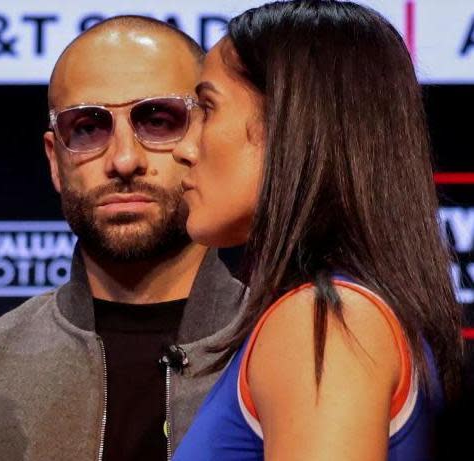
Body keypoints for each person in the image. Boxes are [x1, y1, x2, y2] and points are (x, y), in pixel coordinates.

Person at [0, 16, 244, 461]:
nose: (125, 160)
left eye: (158, 120)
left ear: (204, 137)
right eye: (89, 128)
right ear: (56, 160)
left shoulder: (291, 353)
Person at [169, 1, 463, 459]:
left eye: (208, 108)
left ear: (289, 122)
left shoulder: (324, 320)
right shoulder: (336, 313)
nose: (184, 148)